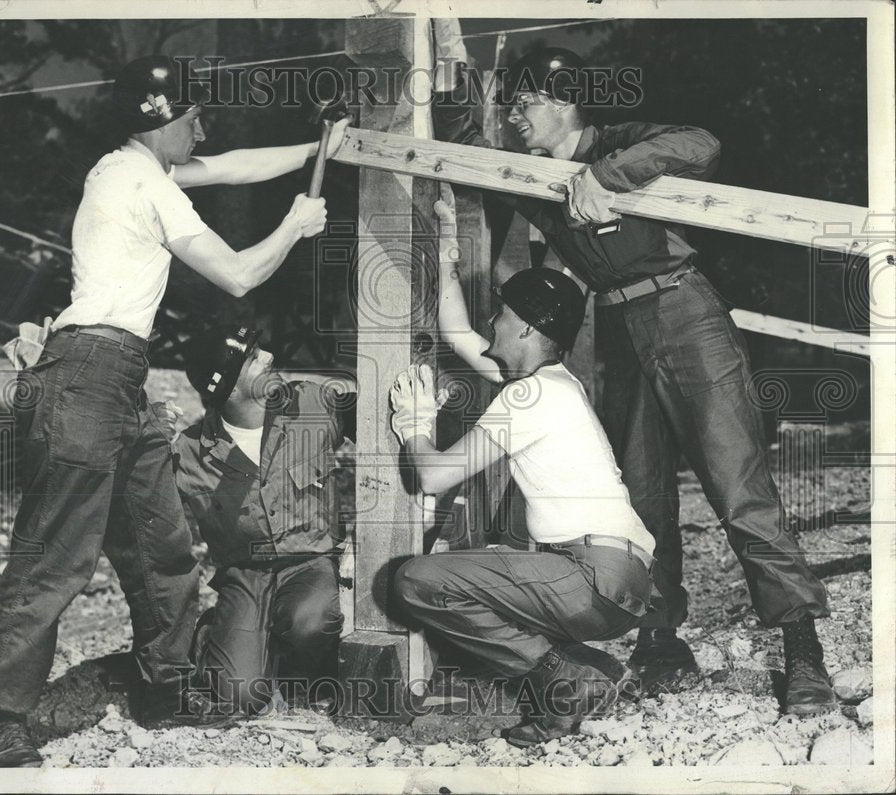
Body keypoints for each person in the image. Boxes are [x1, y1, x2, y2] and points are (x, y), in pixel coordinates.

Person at [430, 23, 835, 714]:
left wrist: (604, 177)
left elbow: (701, 144)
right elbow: (469, 152)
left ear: (565, 103)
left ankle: (802, 651)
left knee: (738, 489)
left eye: (525, 104)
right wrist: (445, 70)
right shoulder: (534, 176)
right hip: (617, 329)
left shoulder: (615, 142)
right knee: (643, 496)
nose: (516, 118)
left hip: (687, 316)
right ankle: (660, 641)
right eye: (511, 106)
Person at [0, 54, 347, 767]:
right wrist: (296, 226)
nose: (201, 127)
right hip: (85, 372)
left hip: (121, 377)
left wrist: (317, 148)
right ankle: (6, 714)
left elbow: (233, 165)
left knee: (160, 546)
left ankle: (166, 685)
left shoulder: (131, 168)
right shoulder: (142, 179)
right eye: (192, 117)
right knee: (56, 553)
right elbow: (238, 272)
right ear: (160, 121)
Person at [392, 195, 657, 744]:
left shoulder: (530, 396)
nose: (493, 320)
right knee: (492, 563)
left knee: (417, 580)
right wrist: (446, 251)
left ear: (527, 330)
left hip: (593, 577)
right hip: (618, 578)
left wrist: (415, 424)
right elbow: (459, 333)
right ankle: (577, 685)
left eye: (503, 314)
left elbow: (436, 476)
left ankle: (567, 673)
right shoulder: (555, 383)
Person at [164, 325, 350, 719]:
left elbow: (384, 433)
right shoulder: (187, 451)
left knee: (312, 622)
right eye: (252, 357)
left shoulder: (316, 403)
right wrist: (145, 435)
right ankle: (215, 635)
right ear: (229, 389)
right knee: (241, 697)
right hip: (245, 577)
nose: (267, 356)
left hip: (309, 562)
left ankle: (298, 666)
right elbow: (130, 501)